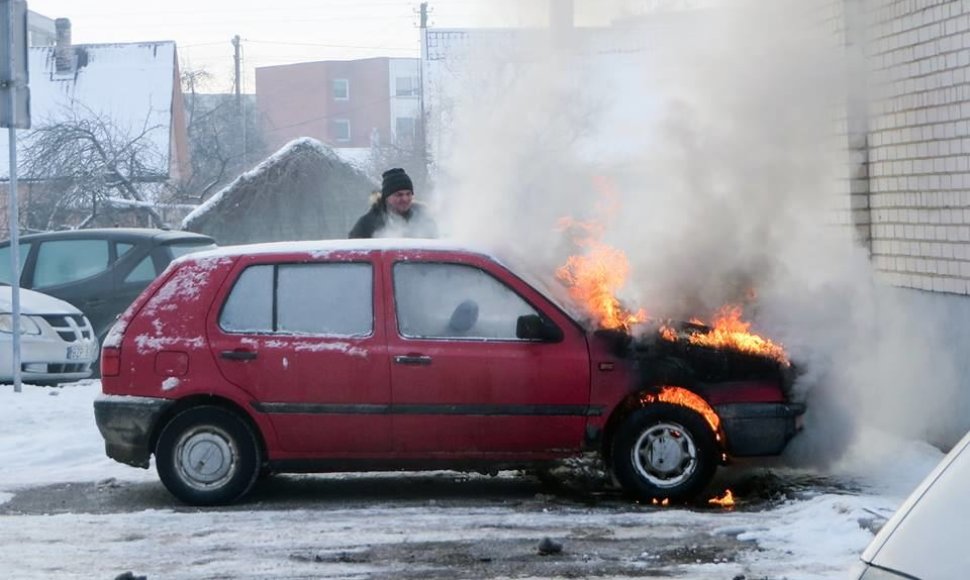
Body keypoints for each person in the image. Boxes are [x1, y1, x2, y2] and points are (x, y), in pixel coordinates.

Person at [348, 168, 438, 238]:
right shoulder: (367, 224)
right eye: (399, 195)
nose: (405, 199)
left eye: (408, 194)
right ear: (387, 197)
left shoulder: (424, 219)